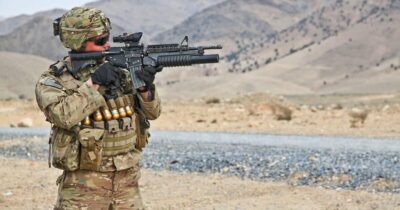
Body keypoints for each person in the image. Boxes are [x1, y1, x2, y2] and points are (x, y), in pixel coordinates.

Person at [35, 7, 161, 209]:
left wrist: (146, 89)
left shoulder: (121, 73)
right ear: (78, 42)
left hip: (127, 183)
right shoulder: (53, 81)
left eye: (107, 38)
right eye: (101, 41)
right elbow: (64, 116)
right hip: (82, 187)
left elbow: (152, 113)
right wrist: (94, 83)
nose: (108, 44)